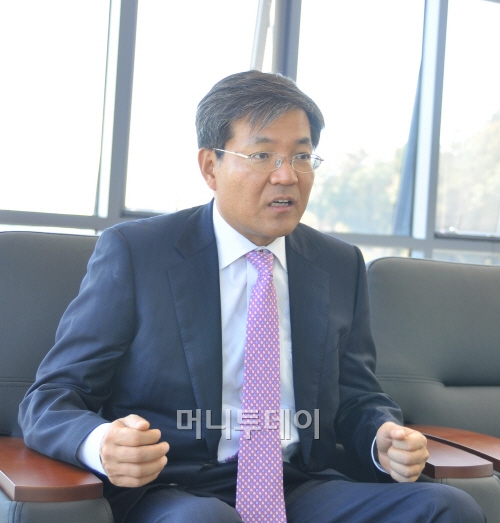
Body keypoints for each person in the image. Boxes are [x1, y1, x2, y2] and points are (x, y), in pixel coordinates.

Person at [19, 71, 485, 523]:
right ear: (210, 167)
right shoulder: (137, 254)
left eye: (302, 156)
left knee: (449, 507)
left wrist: (381, 438)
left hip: (300, 486)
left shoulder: (338, 264)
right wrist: (102, 443)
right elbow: (52, 397)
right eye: (263, 155)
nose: (287, 176)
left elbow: (356, 397)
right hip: (174, 487)